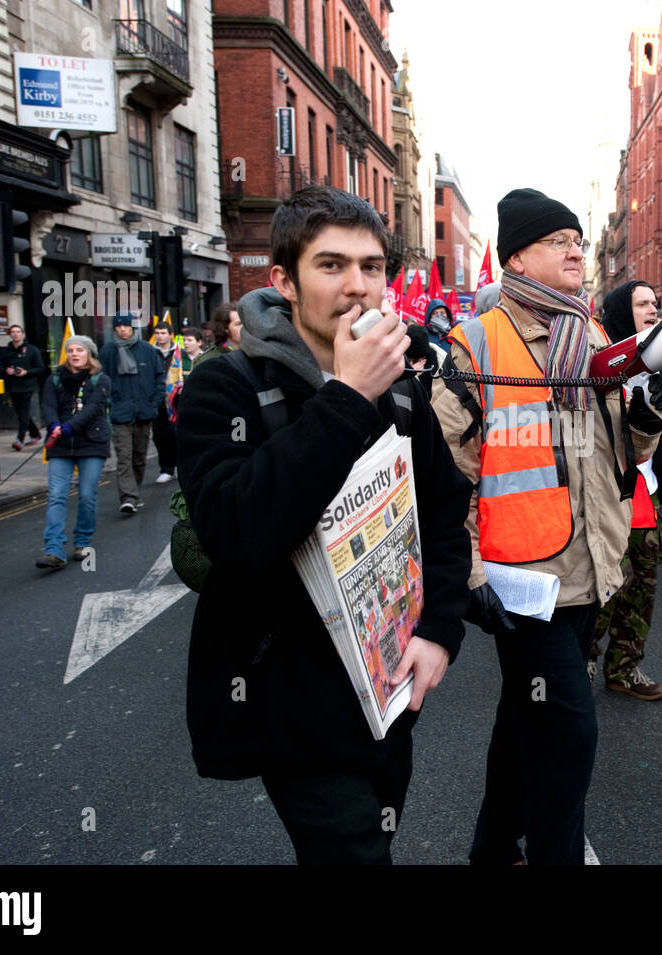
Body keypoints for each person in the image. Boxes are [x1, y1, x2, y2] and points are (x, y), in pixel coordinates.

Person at [176, 185, 472, 864]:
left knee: (376, 831)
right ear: (284, 280)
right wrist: (345, 396)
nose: (358, 286)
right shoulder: (225, 387)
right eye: (332, 265)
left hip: (389, 683)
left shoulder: (403, 389)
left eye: (372, 267)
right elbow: (236, 530)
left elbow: (445, 517)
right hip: (293, 700)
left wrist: (439, 633)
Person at [431, 187, 662, 865]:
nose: (577, 249)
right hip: (521, 584)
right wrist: (469, 570)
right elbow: (448, 472)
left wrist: (649, 417)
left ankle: (493, 847)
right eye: (557, 240)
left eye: (578, 238)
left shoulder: (593, 335)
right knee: (570, 733)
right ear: (516, 256)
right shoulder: (476, 344)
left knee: (524, 721)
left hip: (589, 570)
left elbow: (618, 456)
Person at [586, 279, 662, 701]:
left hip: (646, 495)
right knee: (602, 589)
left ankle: (624, 668)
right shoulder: (600, 362)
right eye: (643, 303)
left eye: (655, 302)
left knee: (642, 589)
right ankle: (583, 660)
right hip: (609, 495)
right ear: (623, 311)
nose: (653, 309)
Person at [36, 335, 111, 570]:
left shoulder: (101, 379)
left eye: (79, 350)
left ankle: (82, 542)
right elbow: (47, 405)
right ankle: (54, 550)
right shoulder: (55, 378)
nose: (74, 354)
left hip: (91, 442)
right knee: (57, 495)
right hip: (60, 444)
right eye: (70, 350)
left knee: (87, 495)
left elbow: (92, 408)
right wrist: (54, 425)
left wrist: (70, 426)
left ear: (89, 354)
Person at [99, 312, 165, 515]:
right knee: (124, 457)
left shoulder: (147, 350)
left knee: (139, 457)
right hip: (120, 413)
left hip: (144, 412)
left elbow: (159, 379)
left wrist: (153, 404)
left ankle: (134, 491)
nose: (122, 330)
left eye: (126, 326)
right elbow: (101, 380)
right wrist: (109, 404)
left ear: (133, 328)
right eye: (119, 327)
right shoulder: (108, 351)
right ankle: (128, 497)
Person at [0, 323, 45, 450]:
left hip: (27, 386)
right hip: (13, 386)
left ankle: (19, 439)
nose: (15, 334)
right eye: (13, 332)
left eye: (18, 332)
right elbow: (0, 367)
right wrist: (7, 371)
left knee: (24, 412)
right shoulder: (6, 351)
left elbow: (40, 368)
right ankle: (35, 434)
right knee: (21, 413)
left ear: (23, 334)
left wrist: (26, 372)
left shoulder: (32, 350)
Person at [151, 321, 181, 484]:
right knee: (159, 434)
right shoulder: (150, 352)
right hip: (157, 398)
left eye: (163, 333)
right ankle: (166, 468)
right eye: (157, 333)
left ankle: (178, 464)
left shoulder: (179, 352)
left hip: (175, 399)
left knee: (175, 433)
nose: (160, 336)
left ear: (171, 335)